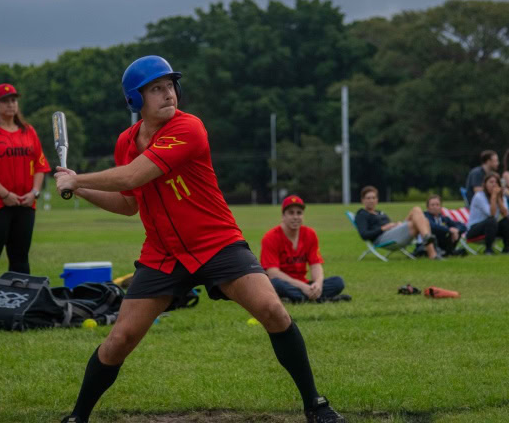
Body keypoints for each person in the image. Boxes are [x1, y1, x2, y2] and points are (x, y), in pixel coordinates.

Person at [53, 56, 345, 423]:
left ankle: (314, 405)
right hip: (162, 252)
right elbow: (129, 203)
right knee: (119, 340)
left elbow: (131, 177)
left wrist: (78, 179)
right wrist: (79, 190)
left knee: (273, 311)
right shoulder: (126, 142)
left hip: (216, 242)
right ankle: (78, 417)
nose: (168, 94)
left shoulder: (188, 127)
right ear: (135, 100)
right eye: (156, 89)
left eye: (171, 85)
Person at [0, 83, 50, 303]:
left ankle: (19, 305)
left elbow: (41, 166)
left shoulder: (28, 131)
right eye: (4, 101)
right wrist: (4, 194)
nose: (10, 104)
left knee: (20, 259)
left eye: (13, 100)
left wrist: (34, 192)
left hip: (25, 204)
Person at [260, 195, 349, 303]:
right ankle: (320, 299)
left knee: (338, 282)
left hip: (304, 284)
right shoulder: (270, 237)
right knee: (275, 284)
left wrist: (318, 284)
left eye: (299, 213)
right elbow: (272, 272)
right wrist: (302, 286)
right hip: (285, 284)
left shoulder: (310, 234)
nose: (295, 217)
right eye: (291, 213)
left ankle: (301, 298)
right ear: (283, 216)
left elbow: (315, 265)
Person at [354, 185, 437, 259]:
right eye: (368, 198)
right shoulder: (362, 215)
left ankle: (427, 240)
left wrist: (396, 225)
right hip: (383, 238)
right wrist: (383, 228)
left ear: (377, 200)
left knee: (416, 210)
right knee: (421, 220)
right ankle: (431, 250)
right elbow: (364, 235)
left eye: (373, 198)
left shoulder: (379, 212)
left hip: (393, 232)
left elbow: (389, 224)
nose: (371, 200)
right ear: (362, 200)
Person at [466, 173, 509, 255]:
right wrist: (494, 196)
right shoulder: (479, 196)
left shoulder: (502, 197)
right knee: (491, 221)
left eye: (496, 182)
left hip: (491, 228)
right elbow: (492, 214)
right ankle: (488, 249)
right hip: (474, 229)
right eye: (491, 182)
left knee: (507, 221)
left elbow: (506, 214)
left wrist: (498, 198)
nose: (494, 185)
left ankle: (506, 249)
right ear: (485, 184)